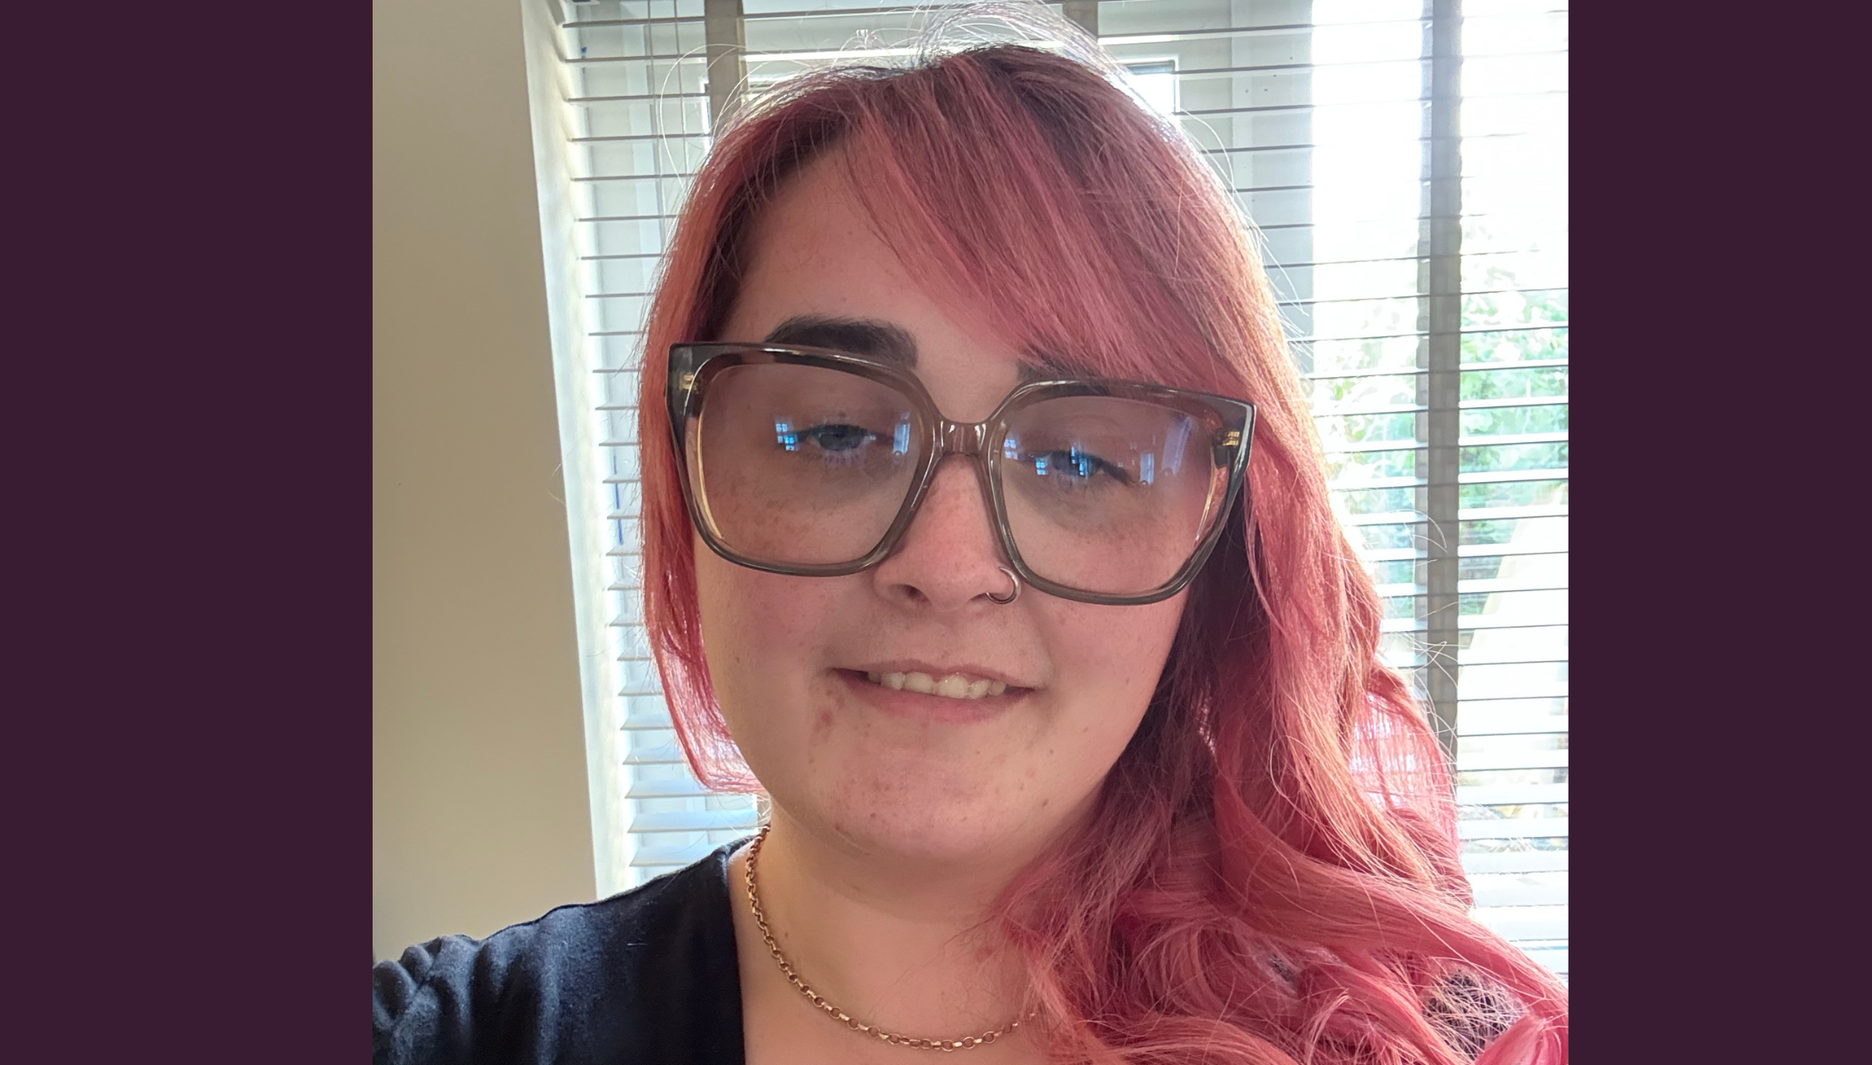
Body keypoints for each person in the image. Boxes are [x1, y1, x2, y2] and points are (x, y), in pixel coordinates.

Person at [373, 17, 1569, 1065]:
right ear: (687, 477)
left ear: (1218, 544)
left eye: (1082, 459)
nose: (947, 567)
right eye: (833, 433)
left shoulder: (1415, 1036)